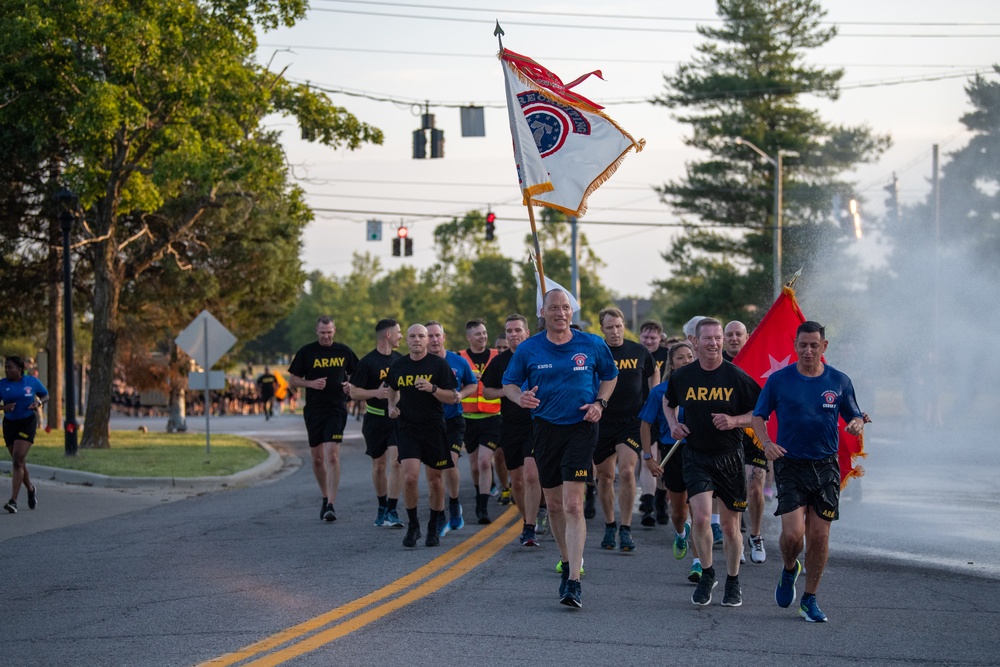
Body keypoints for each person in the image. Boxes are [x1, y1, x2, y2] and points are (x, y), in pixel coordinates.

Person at [503, 289, 618, 609]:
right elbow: (510, 383)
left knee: (572, 504)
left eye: (565, 307)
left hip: (582, 428)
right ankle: (567, 561)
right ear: (543, 312)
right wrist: (519, 397)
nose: (560, 313)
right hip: (545, 430)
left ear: (571, 312)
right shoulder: (528, 349)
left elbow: (610, 376)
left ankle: (573, 581)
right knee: (553, 505)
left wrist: (600, 402)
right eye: (554, 308)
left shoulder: (592, 343)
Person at [751, 321, 866, 623]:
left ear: (824, 347)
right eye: (803, 345)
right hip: (790, 463)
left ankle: (809, 598)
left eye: (814, 345)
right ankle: (790, 569)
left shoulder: (839, 381)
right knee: (793, 535)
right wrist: (766, 443)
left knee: (819, 536)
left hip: (826, 466)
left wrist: (856, 422)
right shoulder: (779, 380)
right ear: (795, 345)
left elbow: (853, 412)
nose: (808, 350)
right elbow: (758, 416)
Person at [664, 317, 761, 607]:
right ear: (695, 341)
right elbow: (668, 403)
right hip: (696, 455)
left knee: (731, 528)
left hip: (729, 456)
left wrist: (734, 421)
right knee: (702, 519)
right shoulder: (683, 376)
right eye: (708, 338)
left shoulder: (736, 377)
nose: (715, 343)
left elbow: (759, 412)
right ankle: (707, 573)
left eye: (718, 338)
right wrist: (673, 425)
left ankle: (733, 580)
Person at [387, 324, 460, 548]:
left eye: (421, 336)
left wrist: (433, 389)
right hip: (407, 428)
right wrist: (391, 405)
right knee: (409, 477)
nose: (417, 339)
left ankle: (432, 528)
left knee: (435, 481)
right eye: (412, 336)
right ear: (407, 340)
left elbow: (452, 397)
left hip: (433, 428)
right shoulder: (398, 365)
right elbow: (391, 388)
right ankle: (413, 525)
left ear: (428, 340)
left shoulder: (438, 365)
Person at [639, 341, 705, 582]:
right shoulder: (661, 391)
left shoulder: (705, 387)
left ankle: (698, 563)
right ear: (672, 363)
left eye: (690, 356)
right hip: (672, 452)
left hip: (700, 452)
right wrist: (648, 457)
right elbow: (646, 425)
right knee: (679, 512)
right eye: (681, 357)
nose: (686, 360)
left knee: (699, 512)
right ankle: (680, 532)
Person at [594, 307, 658, 552]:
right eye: (609, 327)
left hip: (631, 421)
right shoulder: (597, 352)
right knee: (605, 475)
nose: (615, 331)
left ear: (624, 325)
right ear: (602, 329)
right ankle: (610, 524)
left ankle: (627, 528)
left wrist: (653, 395)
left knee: (628, 471)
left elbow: (654, 372)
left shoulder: (638, 350)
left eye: (618, 326)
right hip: (602, 419)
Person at [287, 316, 359, 523]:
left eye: (329, 332)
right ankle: (324, 495)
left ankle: (331, 505)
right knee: (317, 458)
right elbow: (293, 379)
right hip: (314, 409)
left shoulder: (344, 351)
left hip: (336, 408)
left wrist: (349, 385)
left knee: (332, 455)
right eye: (322, 332)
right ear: (316, 331)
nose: (326, 336)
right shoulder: (306, 352)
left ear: (334, 330)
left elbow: (357, 373)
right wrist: (310, 384)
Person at [482, 313, 543, 546]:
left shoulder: (539, 355)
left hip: (536, 424)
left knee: (531, 475)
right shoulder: (499, 361)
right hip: (510, 425)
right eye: (509, 331)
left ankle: (530, 527)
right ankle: (528, 519)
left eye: (518, 330)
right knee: (517, 481)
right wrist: (509, 393)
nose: (513, 335)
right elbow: (486, 391)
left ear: (527, 333)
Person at [346, 318, 405, 528]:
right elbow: (353, 391)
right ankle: (382, 506)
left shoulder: (400, 360)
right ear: (388, 335)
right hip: (374, 419)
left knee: (397, 462)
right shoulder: (368, 362)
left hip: (396, 419)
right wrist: (376, 393)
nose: (401, 336)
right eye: (398, 332)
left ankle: (393, 509)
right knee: (379, 466)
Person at [425, 321, 479, 537]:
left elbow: (472, 384)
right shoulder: (421, 363)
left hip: (454, 420)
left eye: (438, 335)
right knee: (434, 473)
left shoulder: (458, 361)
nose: (434, 340)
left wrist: (461, 395)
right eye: (430, 336)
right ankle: (438, 514)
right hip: (428, 423)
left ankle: (454, 503)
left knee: (450, 463)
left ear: (444, 337)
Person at [723, 320, 767, 564]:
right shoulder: (717, 363)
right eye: (729, 334)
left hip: (754, 433)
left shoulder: (758, 360)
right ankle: (736, 538)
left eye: (738, 334)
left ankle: (756, 535)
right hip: (727, 436)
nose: (733, 338)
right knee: (733, 490)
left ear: (747, 336)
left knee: (755, 488)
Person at [458, 318, 504, 524]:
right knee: (475, 466)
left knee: (485, 461)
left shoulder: (497, 356)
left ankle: (483, 507)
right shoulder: (460, 358)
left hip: (492, 417)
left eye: (484, 333)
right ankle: (479, 493)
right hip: (468, 419)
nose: (482, 337)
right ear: (469, 337)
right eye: (477, 334)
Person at [2, 356, 48, 513]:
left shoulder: (32, 381)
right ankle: (30, 489)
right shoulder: (2, 384)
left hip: (27, 422)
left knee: (18, 459)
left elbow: (45, 395)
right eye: (6, 367)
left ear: (20, 369)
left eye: (10, 367)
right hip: (9, 424)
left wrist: (38, 403)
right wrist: (3, 408)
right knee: (18, 463)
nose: (7, 370)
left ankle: (13, 501)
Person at [637, 319, 672, 526]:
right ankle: (648, 504)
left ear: (660, 338)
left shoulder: (667, 355)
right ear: (640, 336)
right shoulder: (636, 354)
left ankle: (661, 499)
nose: (649, 341)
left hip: (666, 415)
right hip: (644, 414)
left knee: (663, 461)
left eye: (653, 337)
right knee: (647, 457)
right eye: (646, 337)